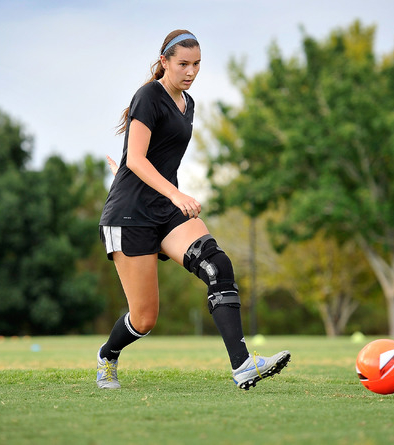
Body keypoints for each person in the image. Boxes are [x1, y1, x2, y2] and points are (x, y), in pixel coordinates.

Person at [96, 29, 290, 390]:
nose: (191, 71)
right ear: (164, 61)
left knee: (218, 266)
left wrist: (164, 193)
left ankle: (243, 365)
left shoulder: (188, 103)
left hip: (164, 210)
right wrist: (173, 193)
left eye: (197, 64)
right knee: (144, 318)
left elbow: (156, 157)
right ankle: (107, 356)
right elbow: (136, 159)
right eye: (183, 63)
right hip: (129, 216)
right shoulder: (148, 97)